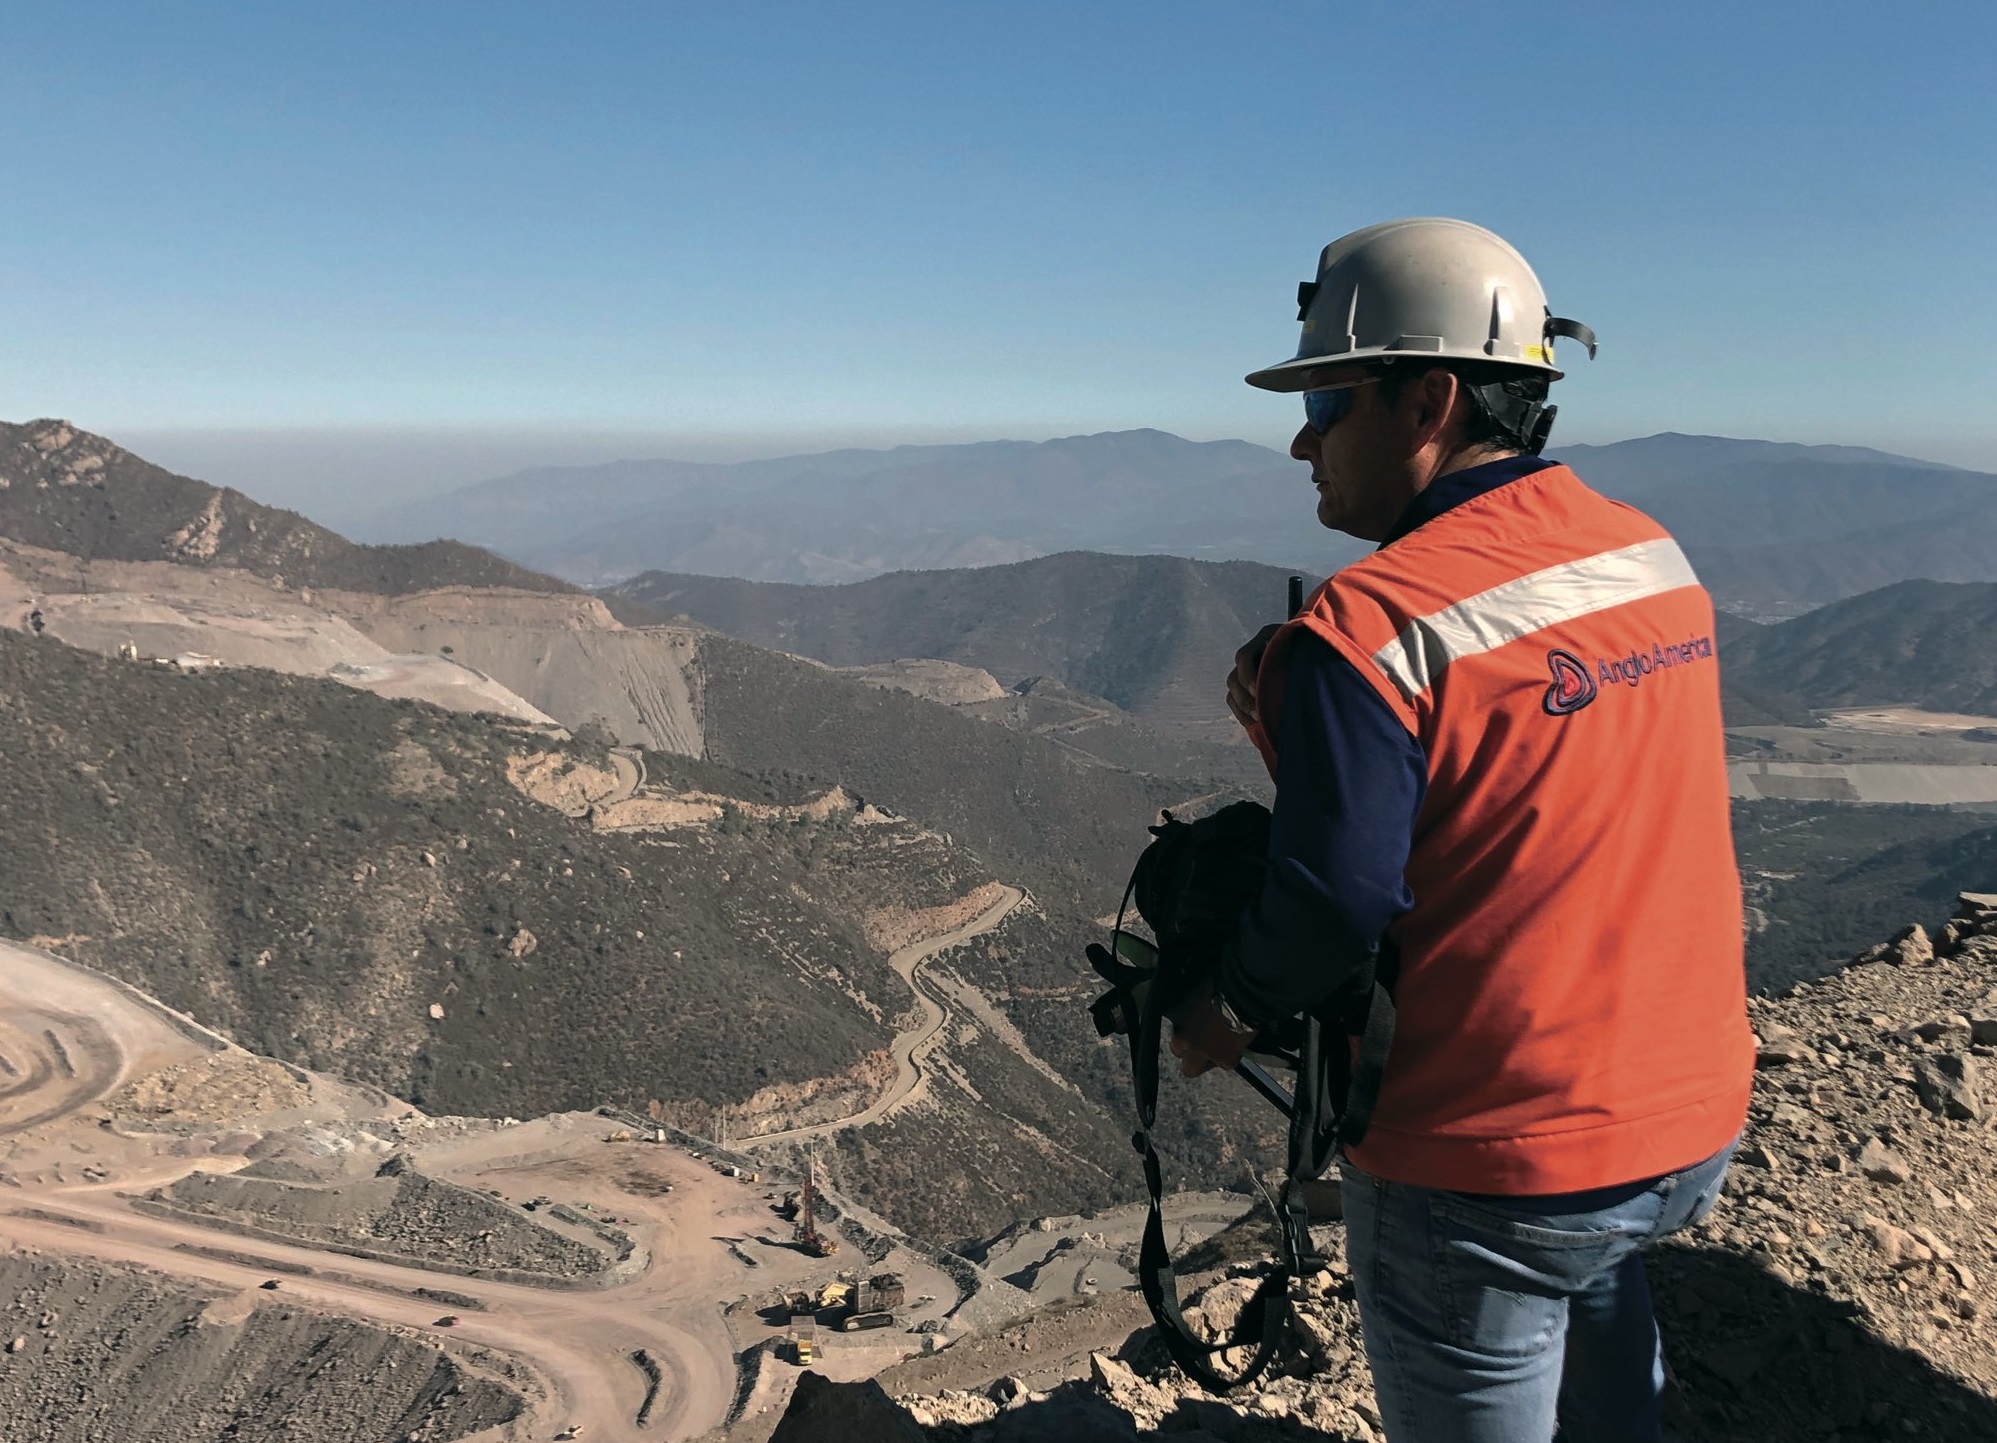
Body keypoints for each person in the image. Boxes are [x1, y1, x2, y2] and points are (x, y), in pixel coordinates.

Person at [1167, 218, 1752, 1442]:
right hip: (1683, 1124)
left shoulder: (1368, 627)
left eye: (1327, 403)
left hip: (1491, 1160)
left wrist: (1225, 1009)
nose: (1301, 439)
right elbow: (1534, 785)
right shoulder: (1648, 557)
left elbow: (1333, 899)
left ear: (1425, 398)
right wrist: (1303, 704)